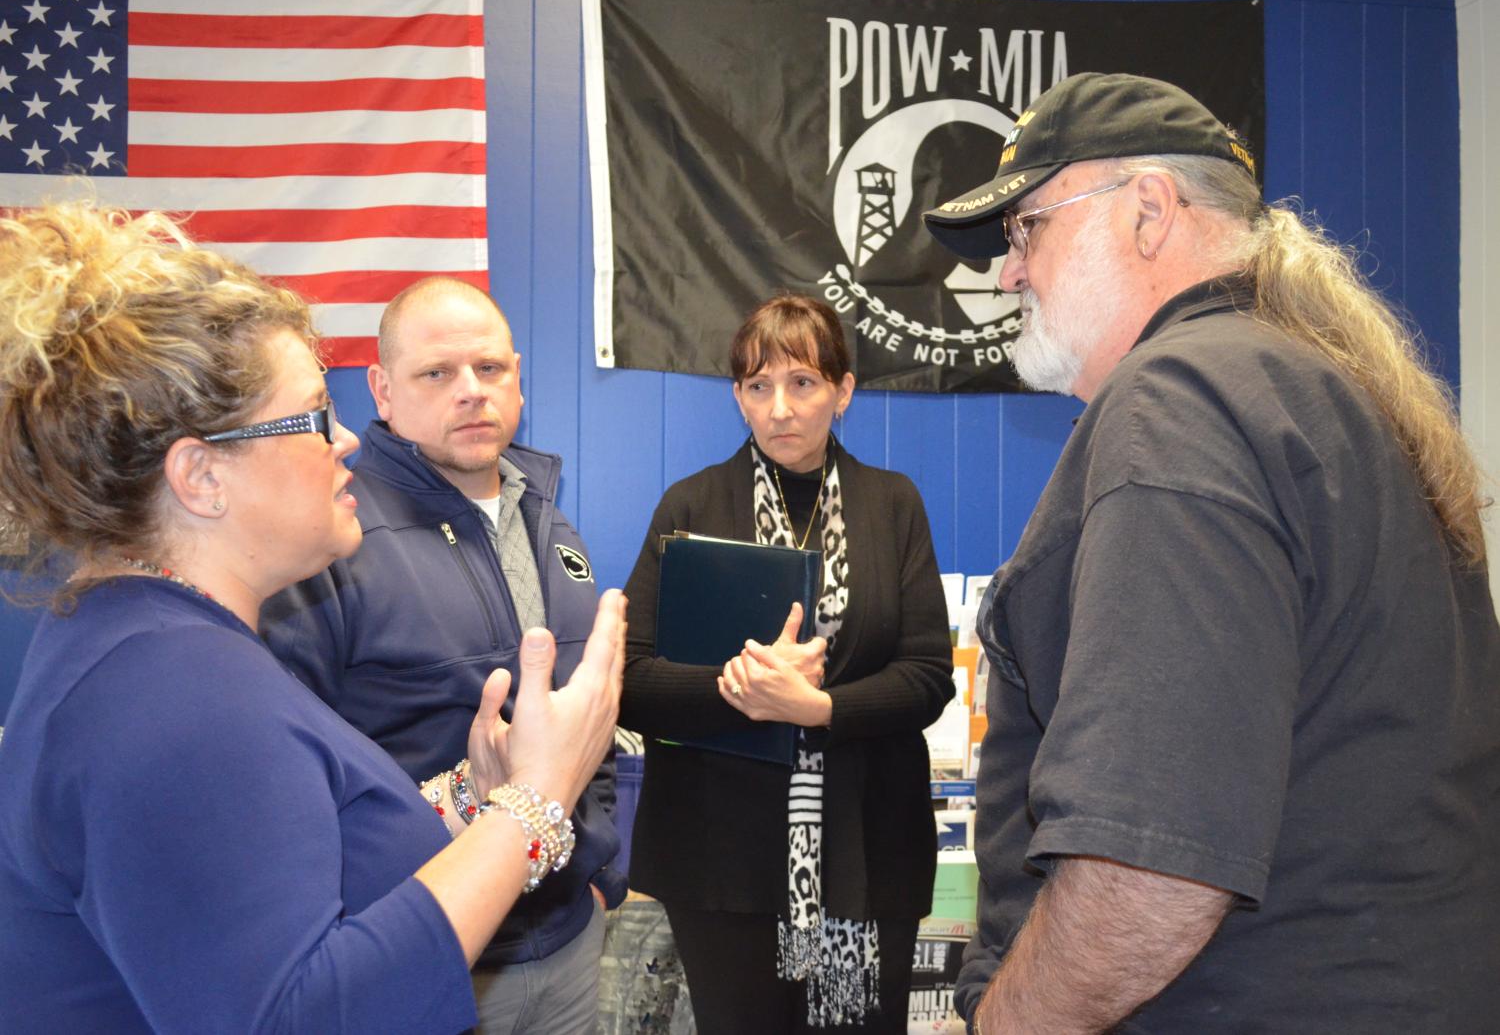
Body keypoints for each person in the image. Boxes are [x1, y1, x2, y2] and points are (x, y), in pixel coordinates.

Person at [922, 72, 1500, 1032]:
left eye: (1028, 228)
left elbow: (1152, 867)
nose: (1008, 273)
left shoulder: (1181, 401)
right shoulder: (1323, 393)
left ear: (1148, 210)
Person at [0, 201, 627, 1033]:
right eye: (311, 418)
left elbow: (291, 862)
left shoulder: (157, 640)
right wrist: (536, 803)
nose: (348, 444)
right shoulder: (172, 696)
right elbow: (304, 1012)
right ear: (201, 477)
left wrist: (476, 801)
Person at [260, 276, 623, 1033]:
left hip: (567, 944)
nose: (471, 391)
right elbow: (287, 780)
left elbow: (589, 715)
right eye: (438, 373)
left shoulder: (548, 521)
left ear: (517, 378)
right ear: (383, 391)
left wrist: (598, 871)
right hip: (432, 960)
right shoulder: (334, 538)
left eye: (489, 369)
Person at [618, 294, 954, 1034]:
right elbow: (631, 681)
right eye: (757, 386)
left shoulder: (892, 505)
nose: (780, 408)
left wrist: (819, 709)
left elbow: (929, 675)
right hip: (721, 861)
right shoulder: (691, 506)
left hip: (865, 857)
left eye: (802, 383)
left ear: (844, 390)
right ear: (737, 396)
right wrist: (740, 688)